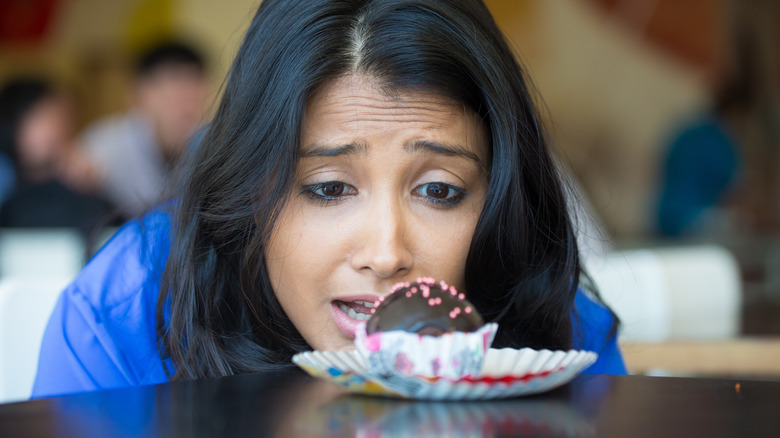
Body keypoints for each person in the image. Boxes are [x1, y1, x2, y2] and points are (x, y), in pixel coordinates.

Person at [32, 0, 626, 399]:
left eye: (439, 191)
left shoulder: (548, 321)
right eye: (329, 188)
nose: (385, 252)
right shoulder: (124, 319)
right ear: (248, 188)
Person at [76, 40, 208, 218]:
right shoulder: (104, 144)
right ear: (135, 94)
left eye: (194, 82)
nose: (186, 98)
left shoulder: (211, 140)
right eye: (173, 85)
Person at [0, 78, 112, 236]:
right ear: (12, 121)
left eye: (63, 119)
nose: (58, 129)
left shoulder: (80, 185)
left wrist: (90, 190)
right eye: (41, 116)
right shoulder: (6, 179)